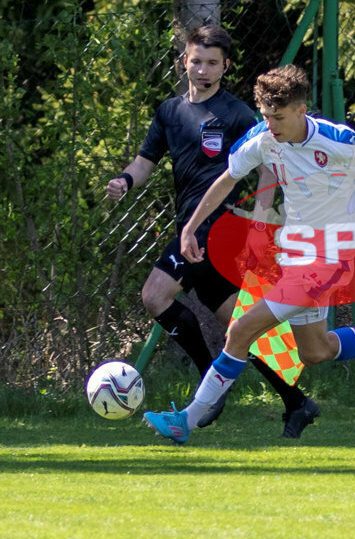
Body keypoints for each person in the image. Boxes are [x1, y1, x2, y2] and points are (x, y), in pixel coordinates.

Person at [143, 64, 355, 445]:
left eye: (278, 117)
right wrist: (190, 226)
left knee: (240, 329)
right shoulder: (264, 139)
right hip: (296, 258)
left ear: (302, 111)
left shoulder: (336, 139)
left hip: (331, 260)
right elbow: (228, 178)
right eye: (266, 116)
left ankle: (186, 420)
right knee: (316, 350)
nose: (271, 125)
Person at [106, 25, 321, 439]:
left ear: (225, 66)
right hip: (192, 231)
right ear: (184, 60)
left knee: (154, 295)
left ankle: (208, 383)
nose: (203, 69)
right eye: (196, 60)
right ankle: (297, 403)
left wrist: (259, 222)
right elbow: (144, 162)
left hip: (219, 229)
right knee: (241, 327)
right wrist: (124, 182)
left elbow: (268, 170)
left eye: (212, 63)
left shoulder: (238, 114)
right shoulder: (169, 112)